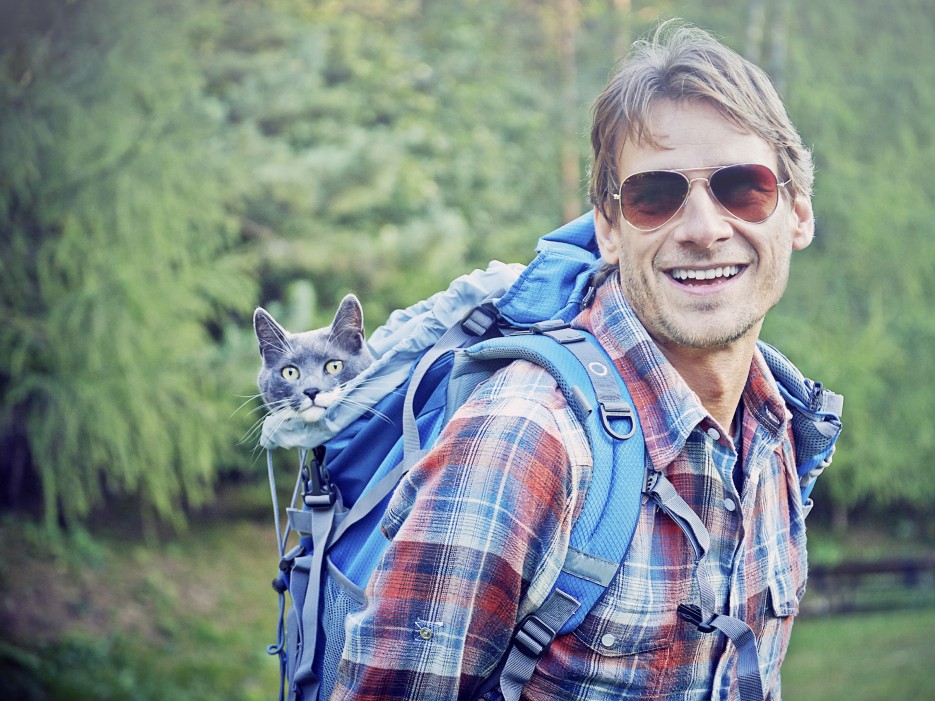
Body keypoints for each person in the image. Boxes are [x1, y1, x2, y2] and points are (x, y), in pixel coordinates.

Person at [331, 19, 816, 701]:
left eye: (743, 188)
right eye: (655, 196)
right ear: (610, 227)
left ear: (796, 212)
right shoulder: (523, 439)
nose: (705, 229)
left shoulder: (780, 427)